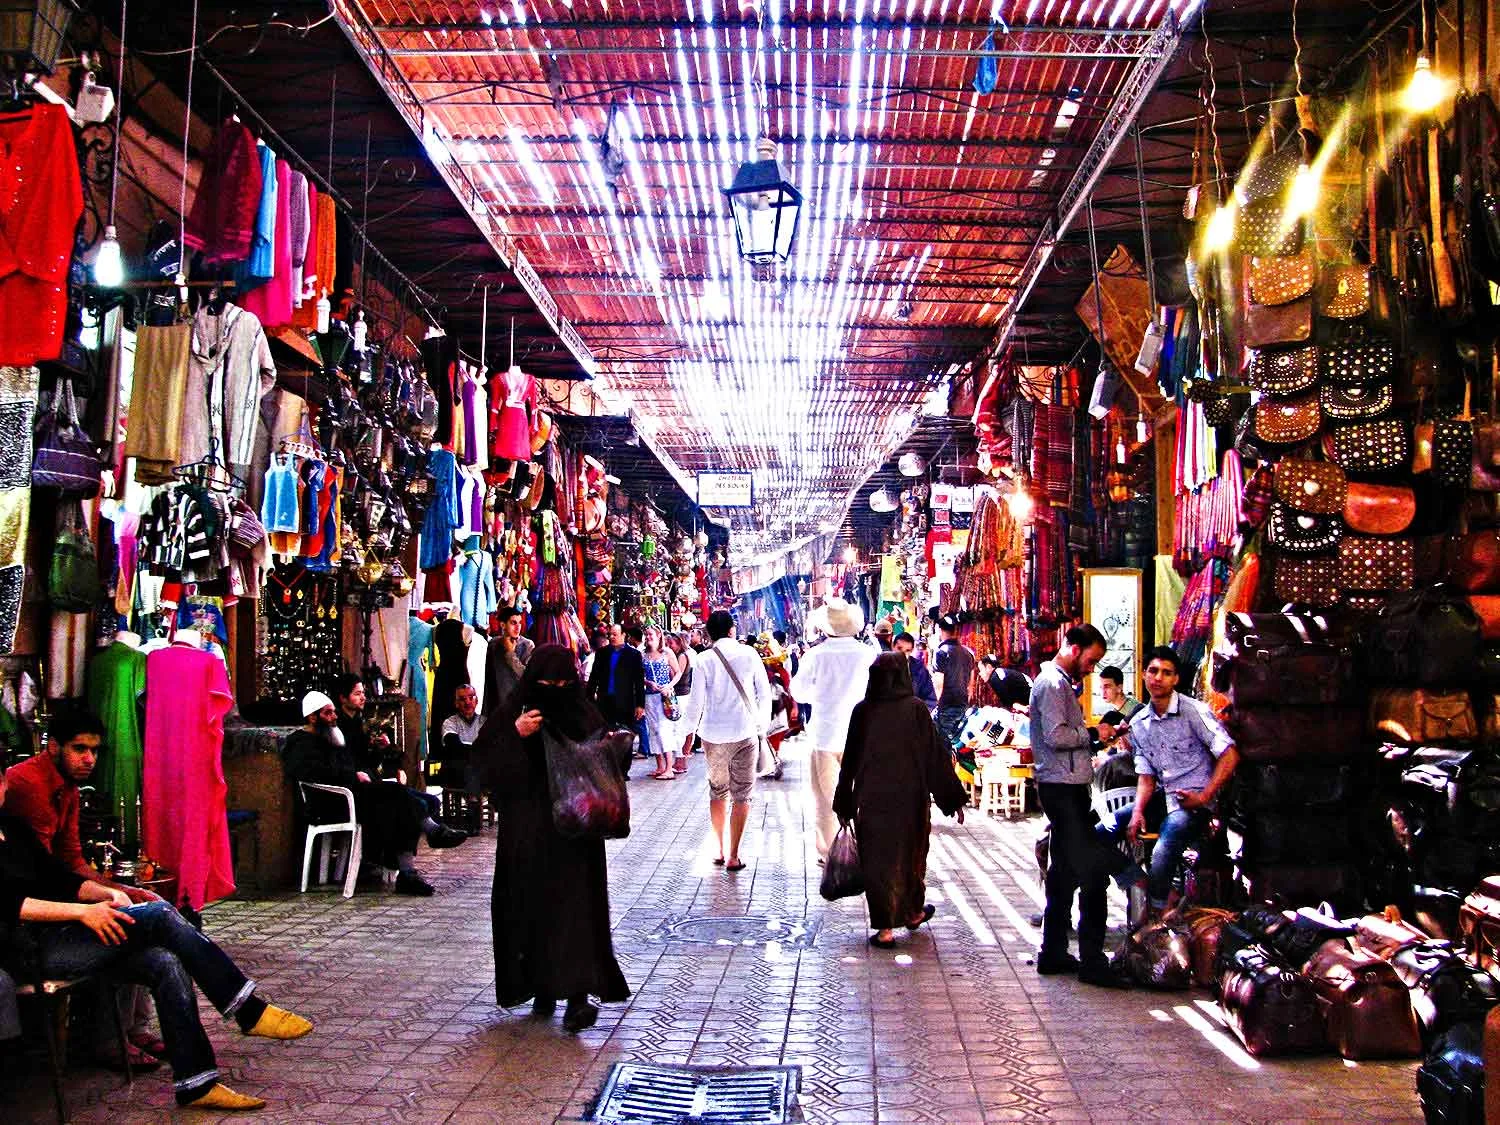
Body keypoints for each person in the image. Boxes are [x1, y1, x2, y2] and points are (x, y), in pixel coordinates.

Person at [0, 763, 314, 1111]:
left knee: (165, 961)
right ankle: (247, 1009)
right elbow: (9, 904)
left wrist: (108, 894)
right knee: (161, 916)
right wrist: (82, 913)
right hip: (27, 951)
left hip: (64, 936)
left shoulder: (12, 828)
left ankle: (196, 1083)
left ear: (4, 784)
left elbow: (58, 877)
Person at [476, 645, 629, 1032]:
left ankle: (577, 997)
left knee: (576, 912)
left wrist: (612, 747)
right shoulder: (514, 713)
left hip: (575, 837)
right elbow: (482, 766)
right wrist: (516, 734)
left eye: (564, 685)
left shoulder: (584, 713)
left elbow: (607, 765)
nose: (557, 693)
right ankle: (542, 987)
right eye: (548, 685)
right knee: (532, 910)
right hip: (527, 832)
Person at [4, 708, 162, 1069]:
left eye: (94, 751)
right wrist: (91, 905)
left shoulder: (68, 788)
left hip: (50, 898)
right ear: (54, 747)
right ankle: (110, 1038)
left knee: (141, 913)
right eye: (79, 749)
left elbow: (71, 860)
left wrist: (117, 890)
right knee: (126, 928)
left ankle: (133, 1028)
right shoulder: (29, 785)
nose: (89, 759)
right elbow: (43, 876)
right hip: (32, 923)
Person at [833, 654, 967, 948]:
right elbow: (934, 757)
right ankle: (911, 912)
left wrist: (843, 801)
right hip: (911, 800)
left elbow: (850, 760)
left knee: (877, 862)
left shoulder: (863, 710)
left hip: (872, 800)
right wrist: (953, 798)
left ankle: (891, 927)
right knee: (911, 857)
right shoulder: (916, 709)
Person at [283, 692, 466, 897]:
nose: (334, 717)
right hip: (333, 803)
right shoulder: (300, 743)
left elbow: (350, 764)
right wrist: (353, 776)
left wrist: (371, 759)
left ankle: (410, 871)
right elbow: (315, 773)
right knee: (396, 796)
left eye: (334, 712)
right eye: (328, 713)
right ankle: (428, 839)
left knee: (403, 802)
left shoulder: (330, 737)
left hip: (354, 795)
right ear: (312, 717)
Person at [1030, 623, 1129, 988]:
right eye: (1091, 660)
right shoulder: (1053, 684)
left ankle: (1053, 952)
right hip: (1062, 789)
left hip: (1065, 787)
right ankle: (1092, 961)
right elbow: (1057, 736)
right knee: (1093, 874)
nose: (1091, 668)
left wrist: (1097, 739)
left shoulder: (1057, 683)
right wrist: (1092, 734)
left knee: (1062, 875)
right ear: (1074, 649)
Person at [1124, 646, 1240, 918]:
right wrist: (1138, 811)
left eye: (1166, 673)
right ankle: (1143, 883)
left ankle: (1155, 917)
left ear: (1176, 679)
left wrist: (1205, 796)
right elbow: (1146, 776)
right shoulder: (1139, 722)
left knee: (1163, 849)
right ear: (1143, 674)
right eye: (1153, 671)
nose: (1158, 678)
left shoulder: (1193, 711)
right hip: (1162, 799)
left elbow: (1230, 755)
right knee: (1100, 833)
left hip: (1194, 804)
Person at [681, 610, 772, 871]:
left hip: (713, 736)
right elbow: (764, 694)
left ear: (709, 633)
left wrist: (688, 734)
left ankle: (719, 849)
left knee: (717, 791)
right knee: (742, 795)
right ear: (732, 629)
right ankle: (734, 855)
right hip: (745, 733)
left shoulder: (704, 659)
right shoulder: (749, 654)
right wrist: (761, 726)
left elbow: (696, 702)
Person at [790, 598, 878, 860]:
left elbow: (799, 692)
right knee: (861, 793)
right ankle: (863, 847)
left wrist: (821, 694)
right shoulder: (868, 654)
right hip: (861, 735)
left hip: (825, 734)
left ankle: (830, 853)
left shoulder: (815, 655)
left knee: (825, 799)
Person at [587, 622, 646, 738]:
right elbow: (594, 677)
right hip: (604, 700)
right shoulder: (602, 653)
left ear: (623, 635)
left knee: (624, 736)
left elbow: (639, 681)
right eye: (610, 635)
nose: (611, 637)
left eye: (615, 634)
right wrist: (589, 697)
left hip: (625, 702)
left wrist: (640, 705)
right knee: (604, 735)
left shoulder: (634, 654)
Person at [931, 616, 977, 753]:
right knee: (959, 746)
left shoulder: (941, 652)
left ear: (940, 630)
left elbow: (938, 685)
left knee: (943, 747)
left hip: (946, 706)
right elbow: (971, 685)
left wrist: (932, 706)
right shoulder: (968, 653)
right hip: (962, 705)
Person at [641, 625, 682, 780]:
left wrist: (669, 686)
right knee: (653, 729)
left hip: (664, 697)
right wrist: (648, 682)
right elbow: (640, 676)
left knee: (664, 729)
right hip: (649, 696)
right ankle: (660, 766)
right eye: (646, 635)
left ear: (658, 635)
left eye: (650, 634)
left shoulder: (667, 653)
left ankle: (669, 768)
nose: (648, 637)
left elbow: (677, 672)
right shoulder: (643, 654)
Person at [440, 684, 485, 794]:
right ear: (456, 703)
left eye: (471, 697)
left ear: (477, 700)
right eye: (462, 699)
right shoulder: (450, 722)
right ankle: (473, 800)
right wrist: (479, 750)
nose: (468, 702)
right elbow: (454, 747)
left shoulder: (485, 722)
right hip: (458, 770)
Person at [666, 632, 696, 774]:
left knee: (678, 728)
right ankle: (679, 760)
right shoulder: (680, 655)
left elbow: (677, 675)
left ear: (679, 643)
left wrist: (667, 666)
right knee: (677, 728)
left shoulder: (682, 656)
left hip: (681, 695)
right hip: (680, 694)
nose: (669, 646)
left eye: (671, 643)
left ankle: (680, 761)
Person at [483, 627, 527, 719]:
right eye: (513, 623)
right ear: (503, 625)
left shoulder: (526, 644)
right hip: (496, 703)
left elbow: (526, 675)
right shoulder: (493, 644)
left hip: (517, 704)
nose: (518, 627)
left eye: (519, 622)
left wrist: (511, 654)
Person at [892, 632, 937, 713]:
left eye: (907, 650)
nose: (902, 654)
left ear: (912, 650)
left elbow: (930, 699)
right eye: (899, 648)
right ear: (893, 647)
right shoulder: (882, 666)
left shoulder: (919, 669)